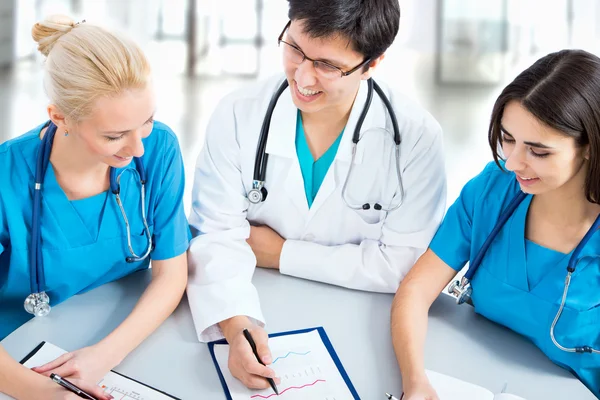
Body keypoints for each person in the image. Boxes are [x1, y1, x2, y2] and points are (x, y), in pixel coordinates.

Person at [187, 0, 446, 390]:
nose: (303, 76)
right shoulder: (239, 115)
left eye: (327, 65)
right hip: (257, 301)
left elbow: (402, 265)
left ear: (372, 63)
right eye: (294, 48)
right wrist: (235, 322)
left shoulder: (414, 139)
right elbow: (215, 235)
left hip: (364, 323)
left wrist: (281, 253)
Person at [391, 49, 600, 399]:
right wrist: (415, 381)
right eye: (507, 138)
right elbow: (415, 291)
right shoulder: (494, 190)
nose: (513, 162)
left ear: (590, 146)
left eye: (539, 151)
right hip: (475, 376)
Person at [0, 15, 190, 399]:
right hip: (21, 355)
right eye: (115, 135)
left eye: (147, 121)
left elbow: (171, 275)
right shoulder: (7, 177)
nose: (138, 148)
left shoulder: (159, 149)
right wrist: (51, 395)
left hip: (122, 339)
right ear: (60, 117)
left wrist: (104, 356)